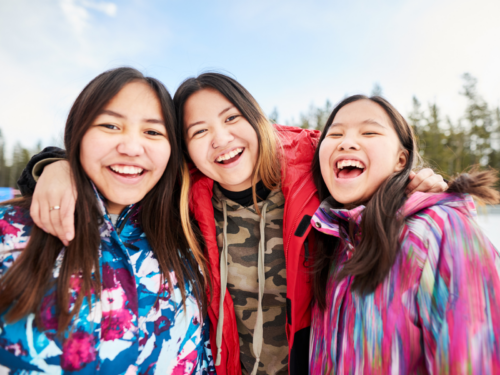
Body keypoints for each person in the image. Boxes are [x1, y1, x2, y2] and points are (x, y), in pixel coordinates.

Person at [18, 74, 447, 375]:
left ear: (256, 119)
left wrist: (413, 183)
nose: (220, 140)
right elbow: (121, 163)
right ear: (184, 147)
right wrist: (55, 165)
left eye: (230, 119)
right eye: (198, 131)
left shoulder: (316, 168)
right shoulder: (185, 195)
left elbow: (366, 155)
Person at [0, 67, 215, 374]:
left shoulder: (189, 242)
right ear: (79, 132)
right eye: (111, 126)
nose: (130, 147)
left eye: (153, 132)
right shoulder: (10, 230)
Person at [309, 94, 500, 374]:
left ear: (402, 160)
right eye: (335, 133)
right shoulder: (331, 240)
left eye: (370, 131)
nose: (346, 142)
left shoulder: (439, 230)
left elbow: (479, 359)